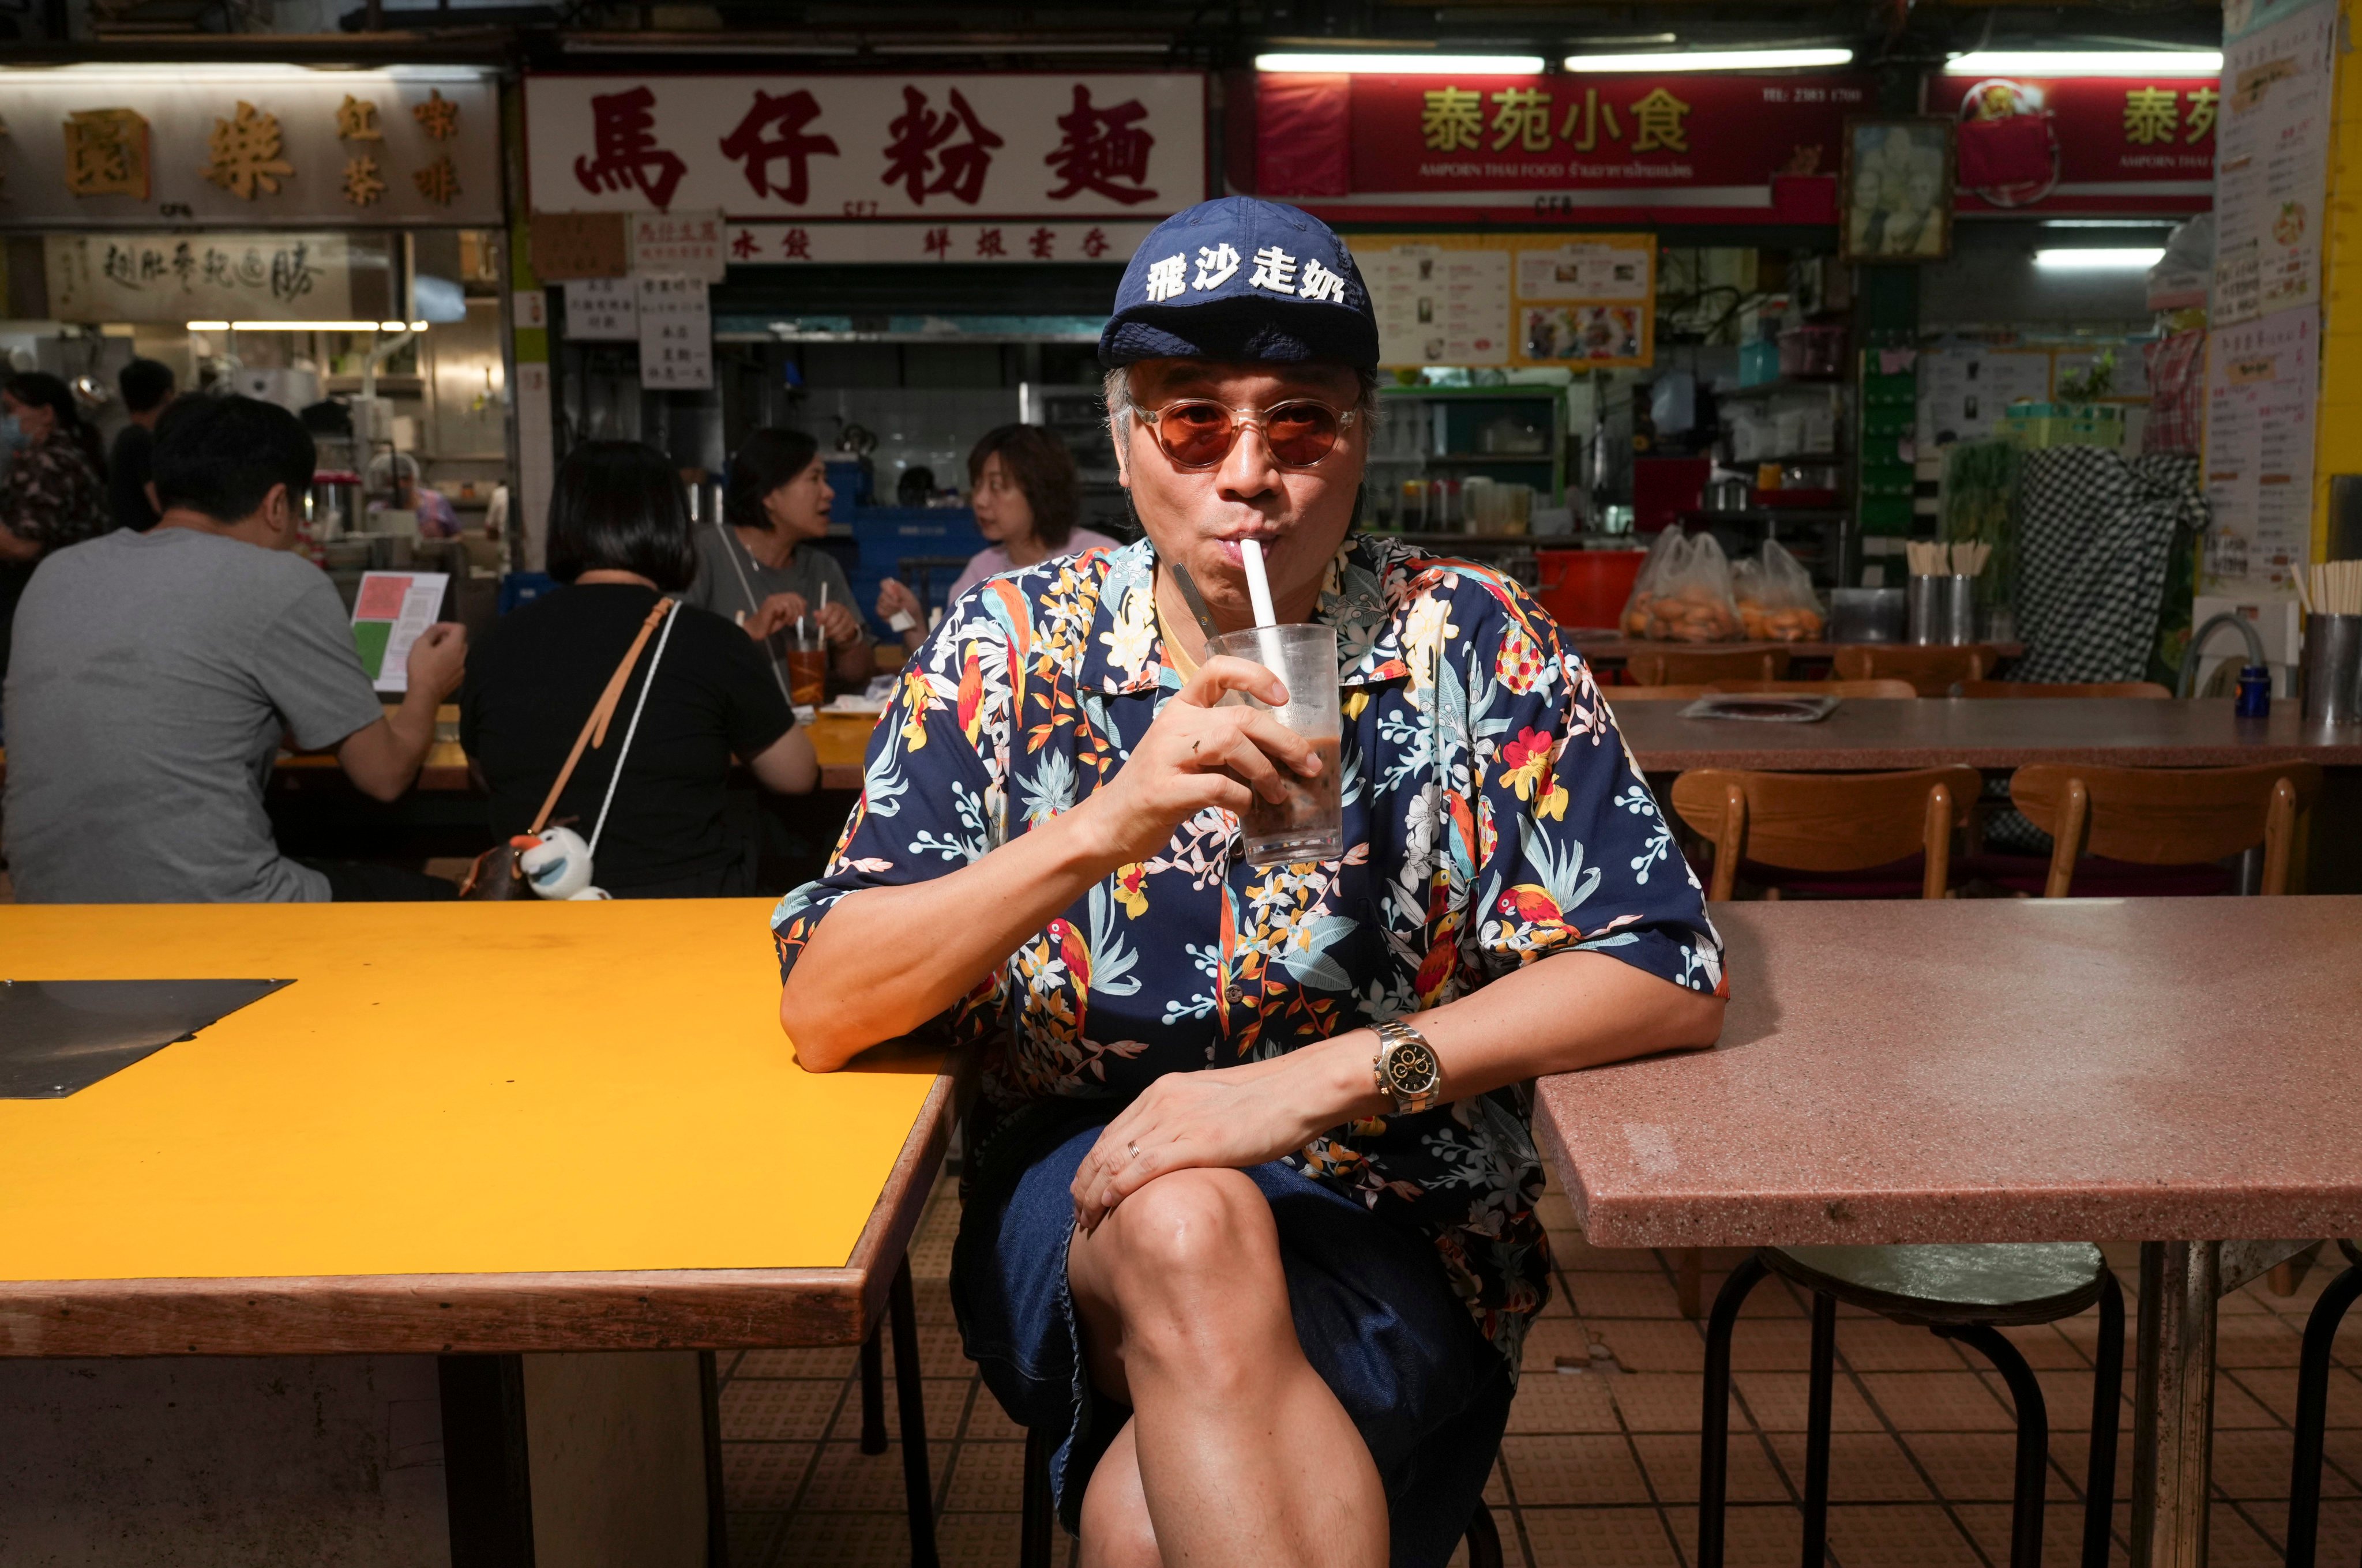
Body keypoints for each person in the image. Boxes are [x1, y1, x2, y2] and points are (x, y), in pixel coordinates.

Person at [771, 198, 1726, 1566]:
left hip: (1399, 1208)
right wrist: (1107, 822)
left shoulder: (1465, 637)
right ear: (1123, 437)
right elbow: (826, 1003)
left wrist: (1335, 1076)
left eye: (1299, 422)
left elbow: (1664, 963)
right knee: (1185, 1214)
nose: (1249, 474)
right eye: (1193, 420)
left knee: (1142, 1528)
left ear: (1362, 434)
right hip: (1087, 1204)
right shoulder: (1009, 648)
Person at [2, 394, 467, 903]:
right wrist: (428, 682)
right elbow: (385, 776)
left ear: (160, 494)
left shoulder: (58, 573)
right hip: (214, 913)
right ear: (275, 505)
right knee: (451, 903)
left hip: (46, 908)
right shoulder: (280, 581)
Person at [461, 440, 818, 898]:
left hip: (538, 913)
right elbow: (796, 775)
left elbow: (484, 771)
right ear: (671, 525)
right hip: (684, 911)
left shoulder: (497, 640)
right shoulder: (709, 640)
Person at [875, 422, 1122, 651]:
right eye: (978, 485)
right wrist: (912, 622)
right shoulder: (979, 572)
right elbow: (949, 671)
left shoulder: (1100, 559)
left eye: (997, 486)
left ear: (1041, 490)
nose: (980, 501)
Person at [682, 427, 870, 692]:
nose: (829, 492)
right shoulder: (706, 552)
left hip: (811, 728)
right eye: (814, 479)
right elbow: (668, 658)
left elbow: (859, 675)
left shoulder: (822, 568)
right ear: (770, 494)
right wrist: (748, 631)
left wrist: (850, 639)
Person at [0, 371, 111, 687]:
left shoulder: (50, 462)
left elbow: (24, 545)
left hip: (48, 602)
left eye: (11, 410)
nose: (6, 421)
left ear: (46, 414)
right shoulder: (48, 457)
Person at [108, 357, 175, 533]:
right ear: (167, 396)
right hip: (144, 539)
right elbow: (160, 505)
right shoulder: (141, 440)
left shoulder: (127, 436)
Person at [367, 452, 463, 539]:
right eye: (386, 485)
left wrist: (447, 548)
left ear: (410, 479)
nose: (389, 490)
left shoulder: (436, 501)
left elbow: (457, 534)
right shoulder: (377, 509)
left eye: (393, 484)